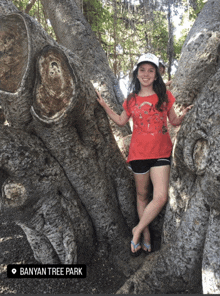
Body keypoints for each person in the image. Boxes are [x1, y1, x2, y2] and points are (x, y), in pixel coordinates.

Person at [96, 53, 192, 256]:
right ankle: (146, 236)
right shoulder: (131, 99)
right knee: (141, 196)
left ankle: (137, 230)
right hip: (138, 154)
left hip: (161, 153)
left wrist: (185, 114)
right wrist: (104, 106)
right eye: (142, 70)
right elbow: (122, 121)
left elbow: (173, 121)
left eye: (151, 70)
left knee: (160, 196)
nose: (146, 74)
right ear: (136, 74)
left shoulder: (165, 95)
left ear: (157, 75)